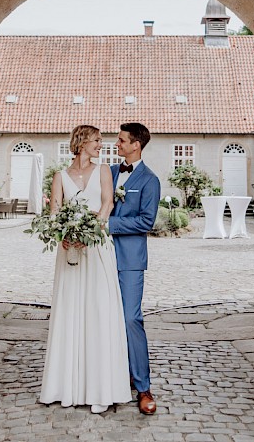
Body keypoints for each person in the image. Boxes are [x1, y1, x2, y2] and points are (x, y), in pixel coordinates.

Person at [39, 125, 132, 414]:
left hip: (98, 247)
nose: (100, 146)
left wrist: (90, 230)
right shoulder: (60, 176)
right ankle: (64, 386)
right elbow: (54, 212)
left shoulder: (103, 170)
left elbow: (107, 203)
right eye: (96, 141)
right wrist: (64, 235)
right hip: (69, 251)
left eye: (101, 142)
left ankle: (101, 388)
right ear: (81, 143)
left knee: (99, 310)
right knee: (71, 311)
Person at [109, 122, 161, 415]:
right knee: (103, 319)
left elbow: (146, 222)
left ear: (135, 145)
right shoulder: (110, 172)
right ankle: (109, 377)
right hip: (101, 257)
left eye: (121, 141)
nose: (116, 145)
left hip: (130, 261)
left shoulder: (150, 180)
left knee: (131, 319)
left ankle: (143, 387)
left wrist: (110, 224)